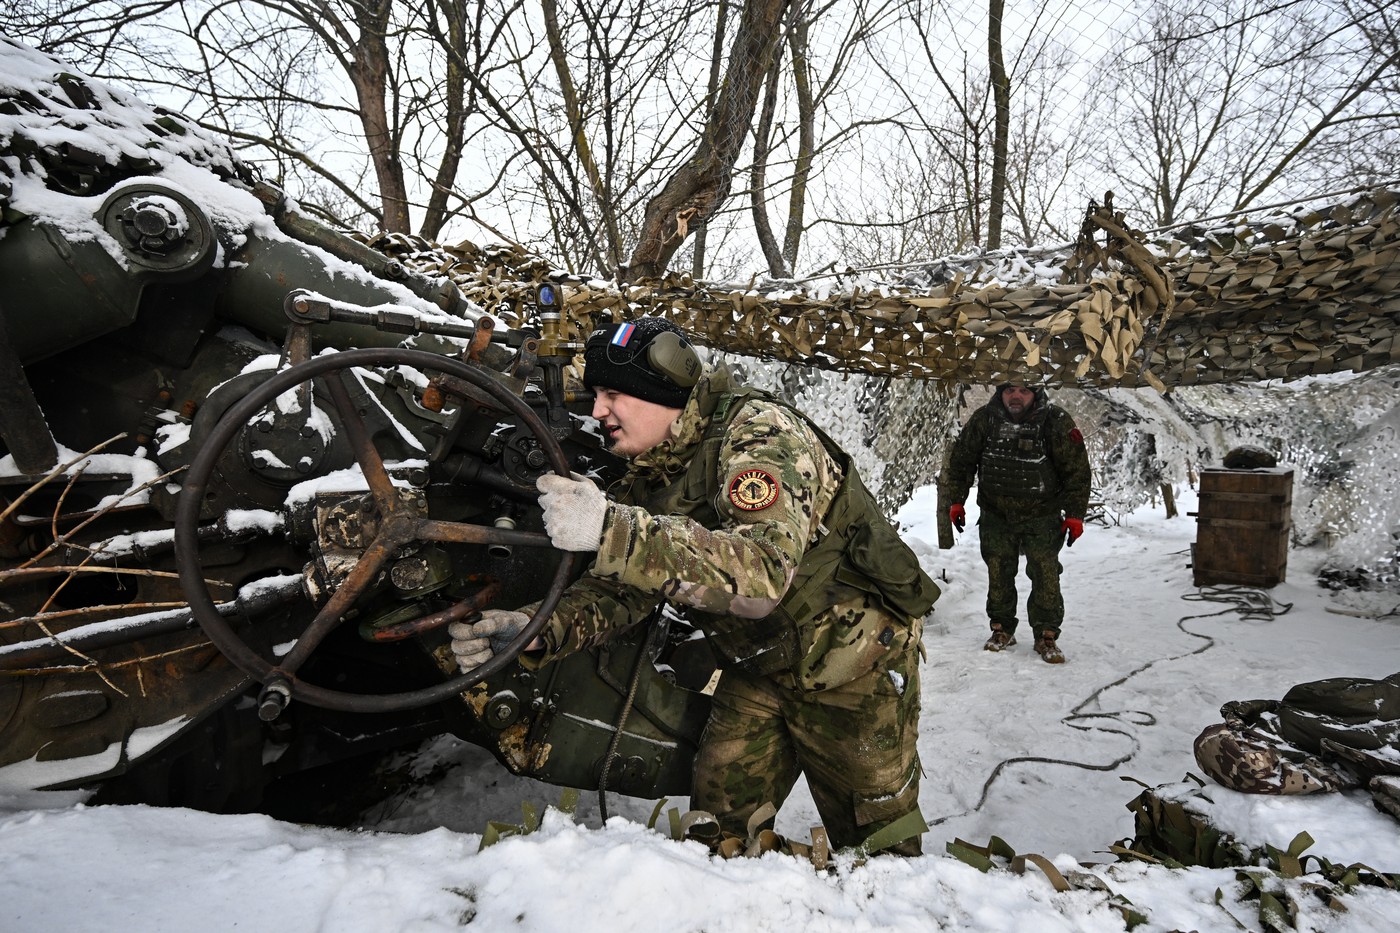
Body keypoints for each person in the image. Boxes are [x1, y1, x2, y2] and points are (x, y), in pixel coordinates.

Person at [449, 316, 939, 856]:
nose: (598, 411)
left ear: (665, 393)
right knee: (720, 840)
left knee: (881, 853)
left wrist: (611, 528)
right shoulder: (648, 475)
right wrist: (539, 629)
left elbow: (762, 574)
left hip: (852, 664)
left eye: (613, 394)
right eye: (595, 395)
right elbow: (628, 588)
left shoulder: (760, 434)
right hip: (759, 663)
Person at [945, 382, 1090, 663]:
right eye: (1010, 389)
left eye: (1024, 390)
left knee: (1045, 574)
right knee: (998, 571)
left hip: (1042, 515)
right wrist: (956, 500)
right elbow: (962, 461)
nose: (1016, 396)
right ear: (1000, 393)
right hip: (996, 514)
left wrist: (1075, 514)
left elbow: (1077, 471)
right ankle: (1001, 629)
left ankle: (1046, 635)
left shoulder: (1055, 421)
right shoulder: (984, 419)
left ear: (1035, 394)